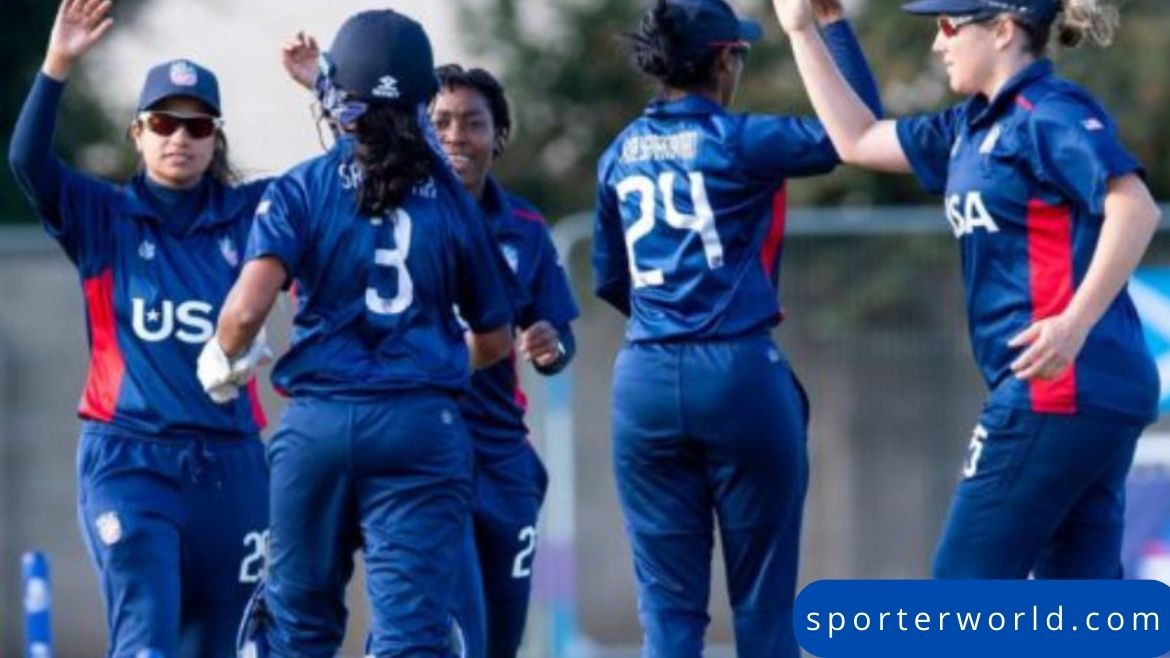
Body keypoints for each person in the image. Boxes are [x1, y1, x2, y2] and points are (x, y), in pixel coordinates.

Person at [774, 0, 1161, 578]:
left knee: (963, 588)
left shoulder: (1046, 111)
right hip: (1082, 386)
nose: (938, 43)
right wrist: (809, 30)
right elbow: (856, 138)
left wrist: (1073, 323)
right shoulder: (969, 126)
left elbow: (1134, 207)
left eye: (949, 25)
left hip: (1056, 384)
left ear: (1003, 30)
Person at [199, 9, 515, 657]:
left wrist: (221, 360)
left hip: (317, 425)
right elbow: (494, 338)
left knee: (296, 628)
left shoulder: (302, 187)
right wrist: (429, 368)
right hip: (420, 431)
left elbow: (242, 315)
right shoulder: (454, 199)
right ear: (426, 99)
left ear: (341, 96)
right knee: (410, 635)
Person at [591, 0, 882, 655]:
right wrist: (831, 27)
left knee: (668, 616)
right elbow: (857, 130)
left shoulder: (617, 154)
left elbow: (613, 282)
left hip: (645, 379)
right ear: (723, 59)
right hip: (738, 375)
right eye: (739, 54)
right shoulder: (742, 139)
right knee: (763, 609)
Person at [7, 1, 272, 656]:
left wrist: (325, 92)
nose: (179, 138)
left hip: (233, 464)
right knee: (147, 635)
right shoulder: (103, 214)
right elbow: (26, 162)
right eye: (163, 122)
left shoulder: (253, 216)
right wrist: (57, 66)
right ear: (138, 134)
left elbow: (334, 191)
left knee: (222, 645)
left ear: (215, 138)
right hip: (130, 457)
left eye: (196, 125)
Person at [431, 63, 580, 658]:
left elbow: (561, 337)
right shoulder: (395, 216)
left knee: (498, 637)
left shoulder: (524, 226)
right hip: (422, 450)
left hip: (501, 455)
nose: (456, 136)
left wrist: (550, 345)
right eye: (439, 122)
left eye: (472, 122)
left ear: (498, 136)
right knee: (439, 625)